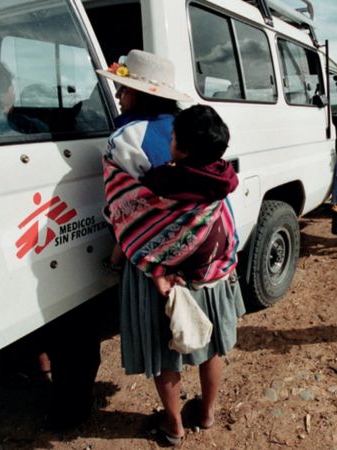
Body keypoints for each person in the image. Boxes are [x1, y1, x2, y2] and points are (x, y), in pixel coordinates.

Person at [103, 102, 244, 446]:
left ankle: (174, 426)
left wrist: (151, 266)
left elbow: (133, 222)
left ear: (179, 146)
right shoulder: (223, 176)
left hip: (170, 283)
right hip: (211, 273)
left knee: (168, 356)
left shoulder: (161, 179)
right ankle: (208, 414)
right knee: (211, 348)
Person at [95, 49, 191, 271]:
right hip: (194, 244)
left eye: (124, 89)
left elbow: (125, 210)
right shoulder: (188, 126)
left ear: (139, 95)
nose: (118, 96)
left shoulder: (127, 137)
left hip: (150, 254)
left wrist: (115, 259)